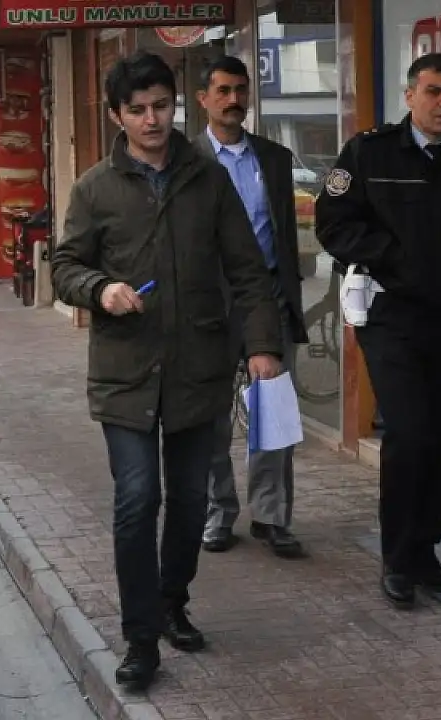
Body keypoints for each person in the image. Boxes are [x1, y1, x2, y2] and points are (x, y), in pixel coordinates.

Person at [50, 51, 282, 692]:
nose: (152, 119)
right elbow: (65, 266)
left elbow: (248, 270)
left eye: (162, 105)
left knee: (188, 501)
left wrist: (262, 346)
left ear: (176, 105)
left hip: (196, 368)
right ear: (117, 115)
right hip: (125, 372)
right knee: (137, 499)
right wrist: (101, 290)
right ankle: (140, 637)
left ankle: (172, 600)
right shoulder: (95, 187)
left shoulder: (208, 179)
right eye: (138, 110)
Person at [315, 53, 441, 609]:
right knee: (408, 433)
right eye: (433, 92)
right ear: (410, 96)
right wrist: (394, 260)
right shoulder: (371, 153)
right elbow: (334, 224)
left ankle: (426, 552)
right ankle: (398, 560)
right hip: (393, 317)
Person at [192, 57, 311, 559]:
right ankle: (218, 513)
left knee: (273, 414)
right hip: (208, 308)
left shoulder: (275, 159)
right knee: (210, 419)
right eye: (222, 90)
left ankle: (271, 516)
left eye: (240, 89)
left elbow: (284, 233)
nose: (233, 99)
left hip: (268, 301)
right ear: (203, 98)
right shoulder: (186, 160)